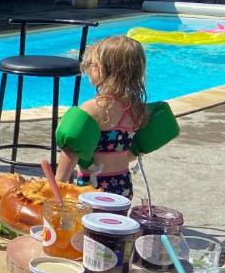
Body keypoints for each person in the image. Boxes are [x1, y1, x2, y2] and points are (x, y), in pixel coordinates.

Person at [55, 36, 177, 198]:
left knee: (89, 223)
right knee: (116, 222)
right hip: (123, 185)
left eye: (91, 65)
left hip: (93, 187)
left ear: (101, 69)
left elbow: (70, 153)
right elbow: (132, 150)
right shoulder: (136, 108)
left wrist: (56, 189)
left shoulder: (93, 109)